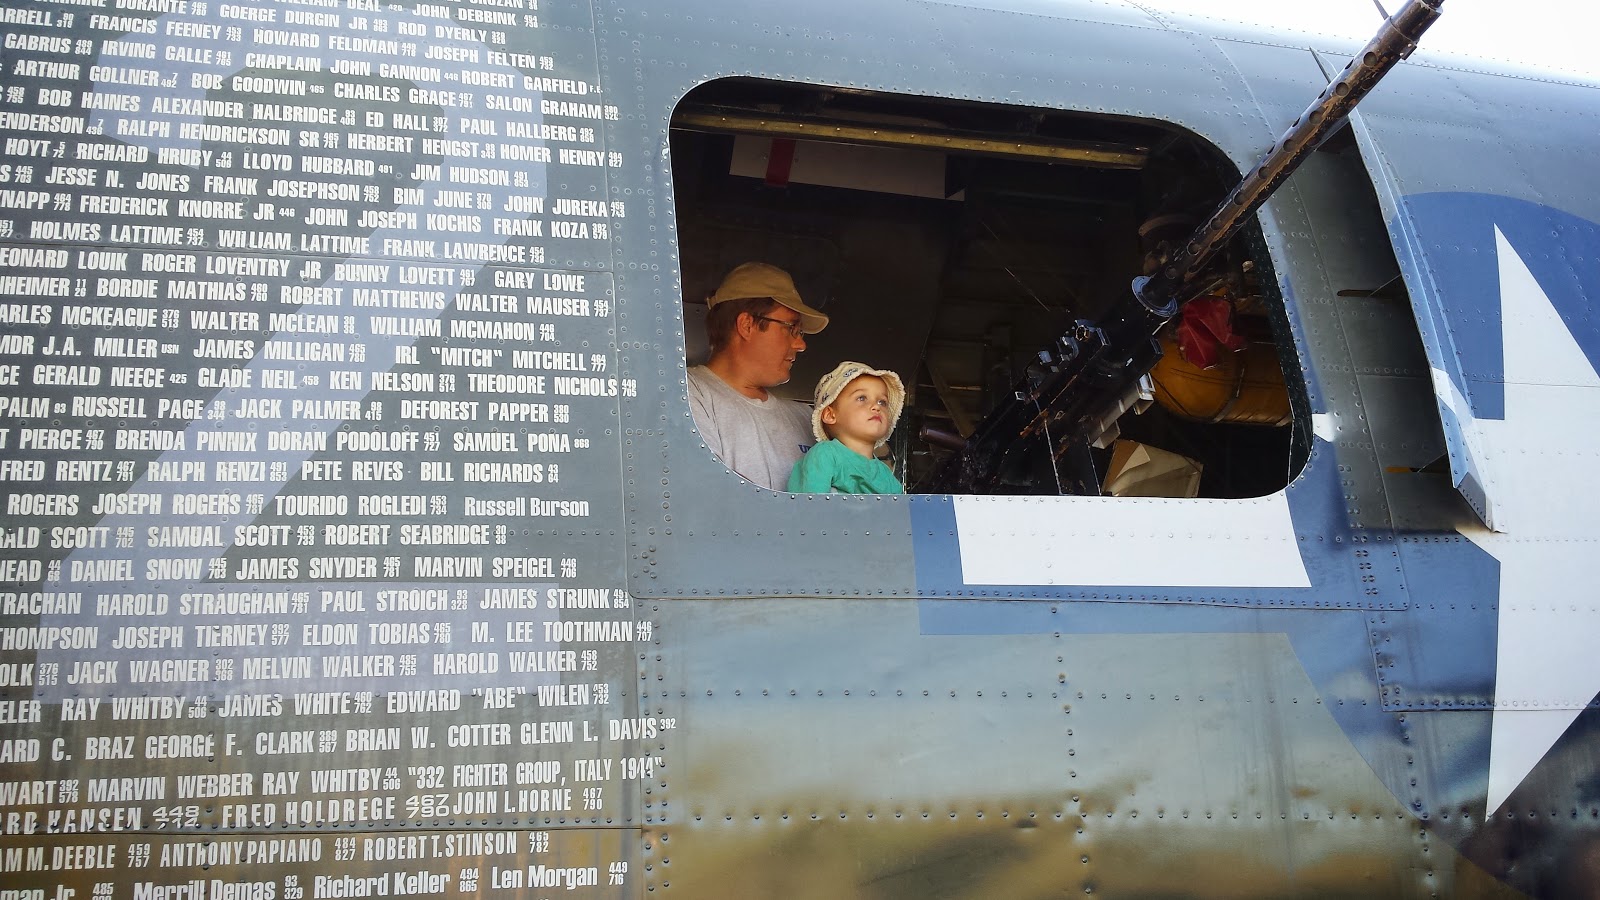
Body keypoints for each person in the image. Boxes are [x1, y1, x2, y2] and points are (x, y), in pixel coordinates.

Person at [687, 262, 830, 490]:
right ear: (747, 325)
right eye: (791, 328)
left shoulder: (807, 418)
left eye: (800, 332)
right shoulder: (688, 394)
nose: (801, 344)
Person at [787, 361, 905, 494]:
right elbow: (810, 503)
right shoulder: (825, 454)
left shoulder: (885, 473)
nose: (876, 406)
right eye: (862, 398)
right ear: (830, 415)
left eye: (882, 402)